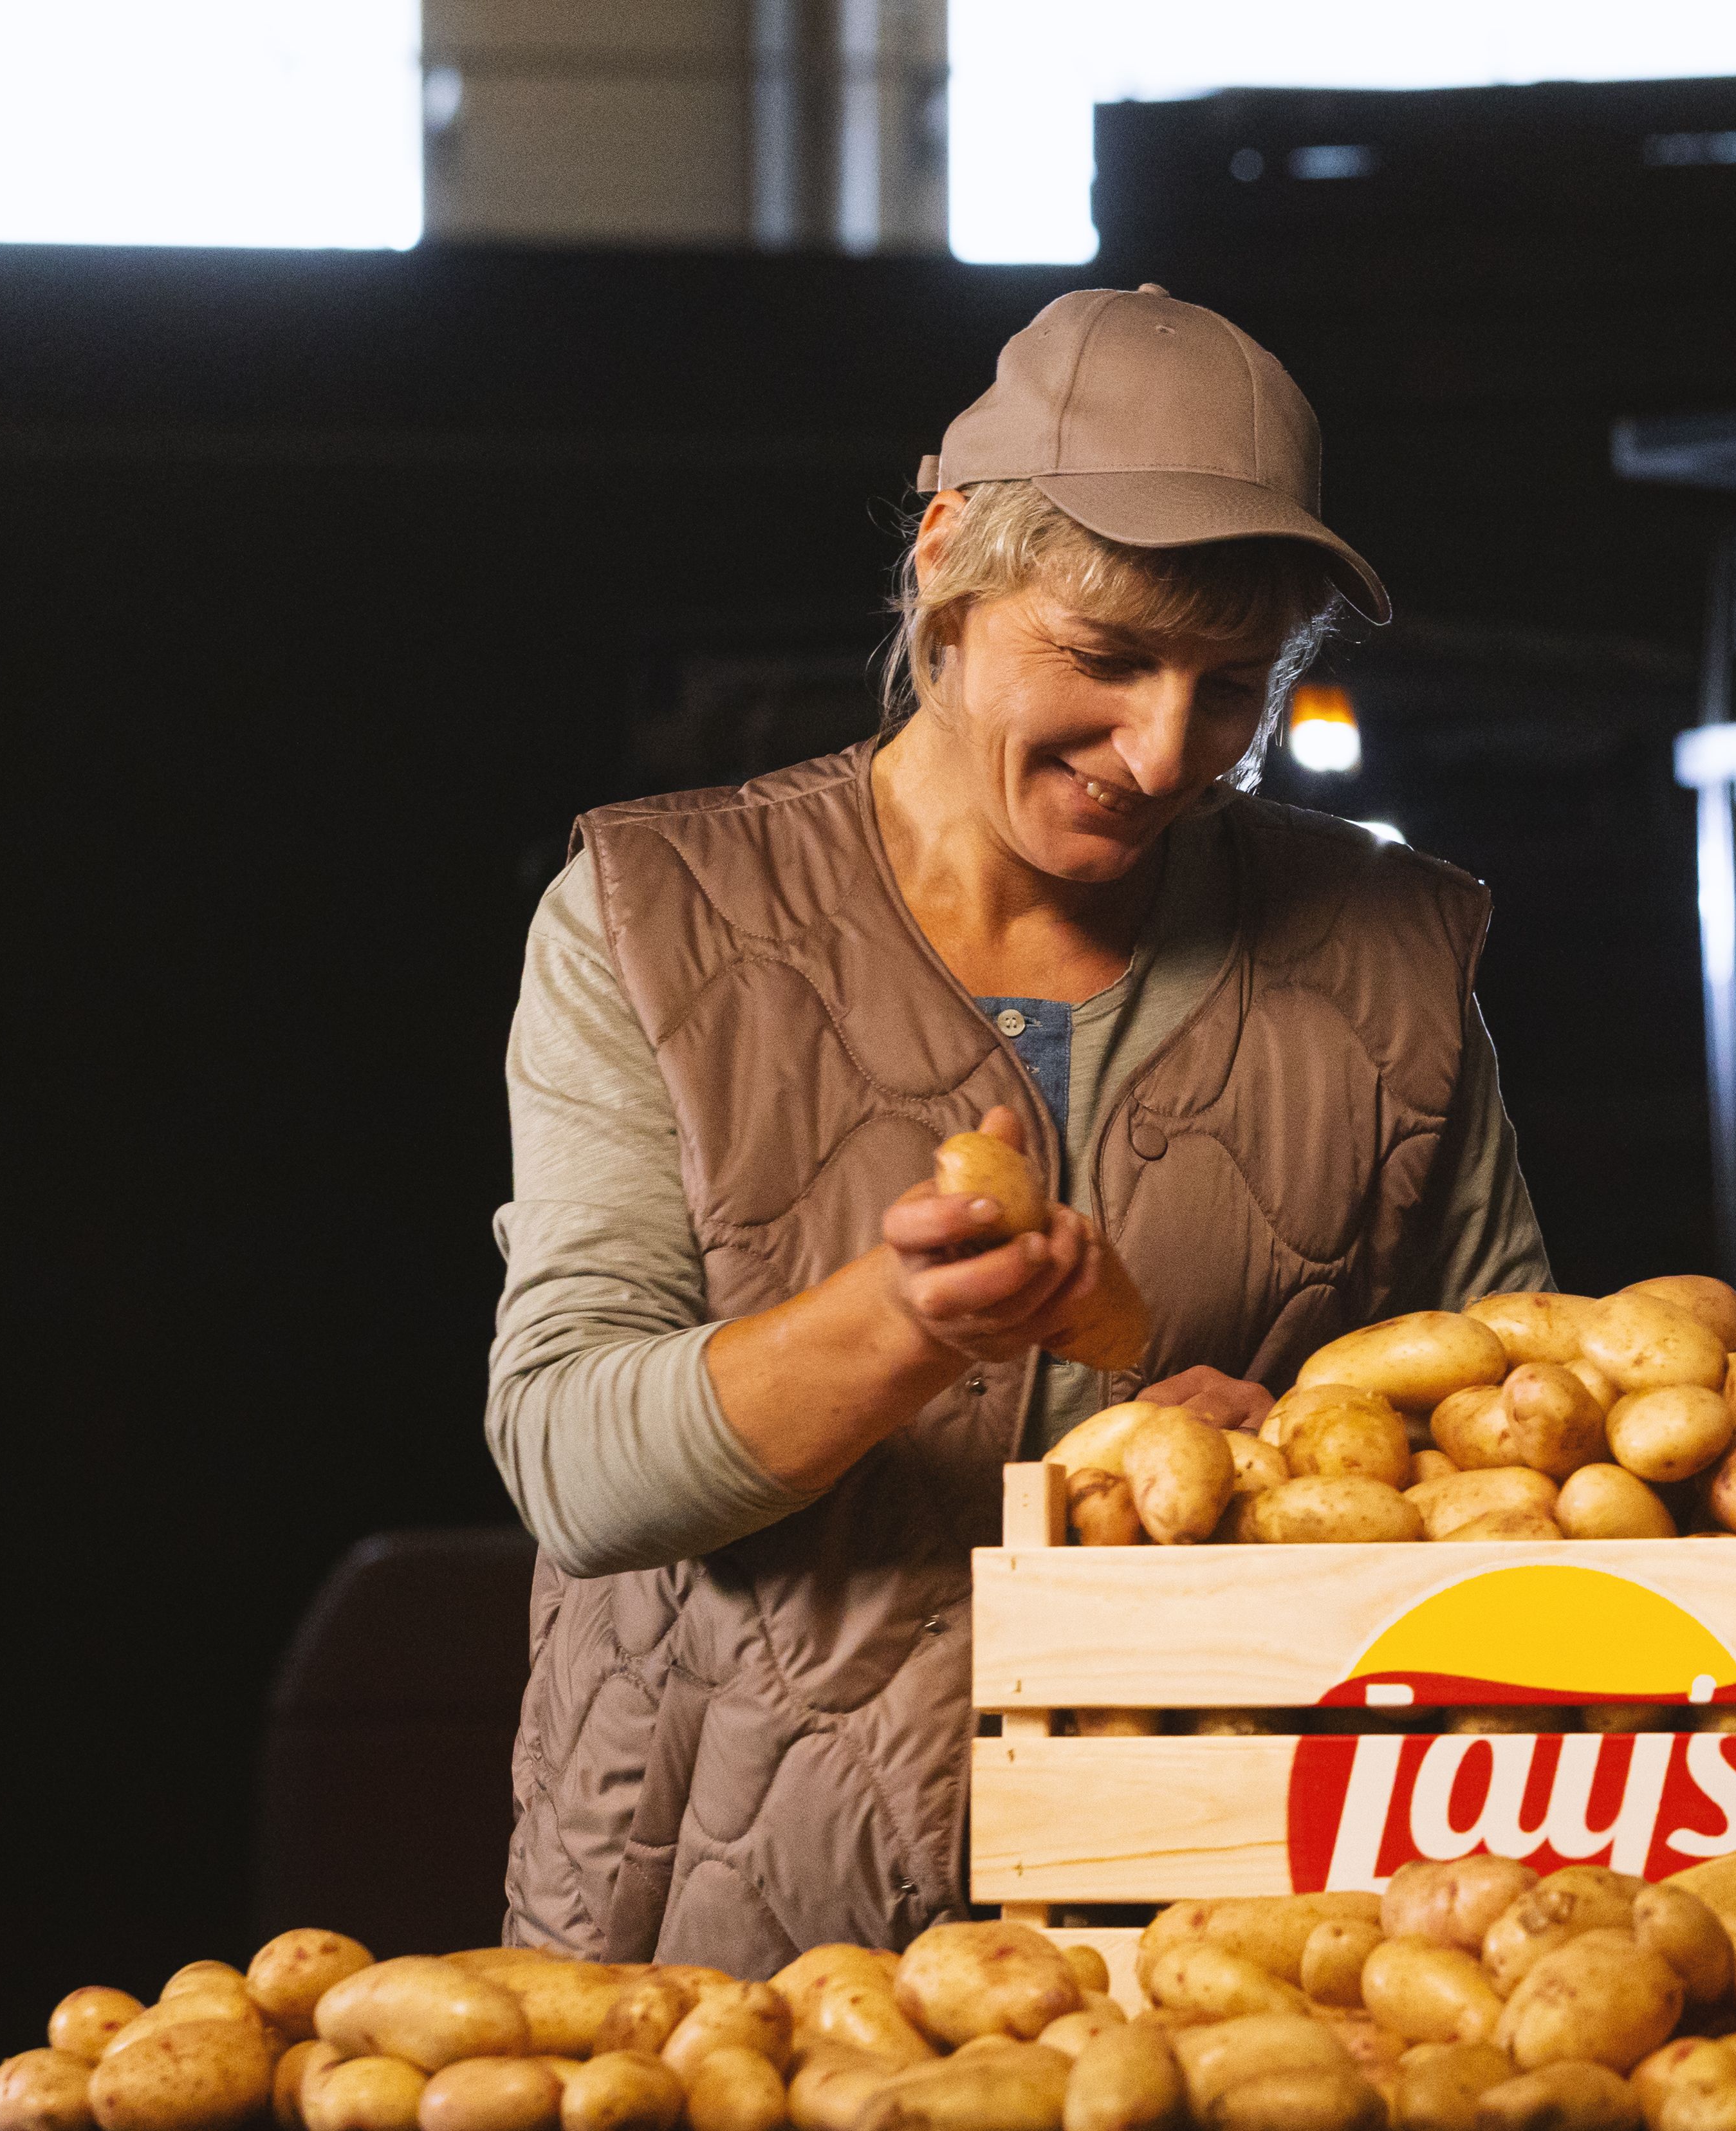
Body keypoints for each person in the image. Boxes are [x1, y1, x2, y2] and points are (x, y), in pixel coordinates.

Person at [490, 288, 1551, 1970]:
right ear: (947, 567)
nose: (1163, 752)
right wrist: (899, 1326)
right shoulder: (654, 921)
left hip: (1229, 1948)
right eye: (1108, 659)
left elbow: (1538, 1461)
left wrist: (1296, 1455)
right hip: (714, 1970)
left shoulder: (1388, 964)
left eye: (1232, 686)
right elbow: (575, 1467)